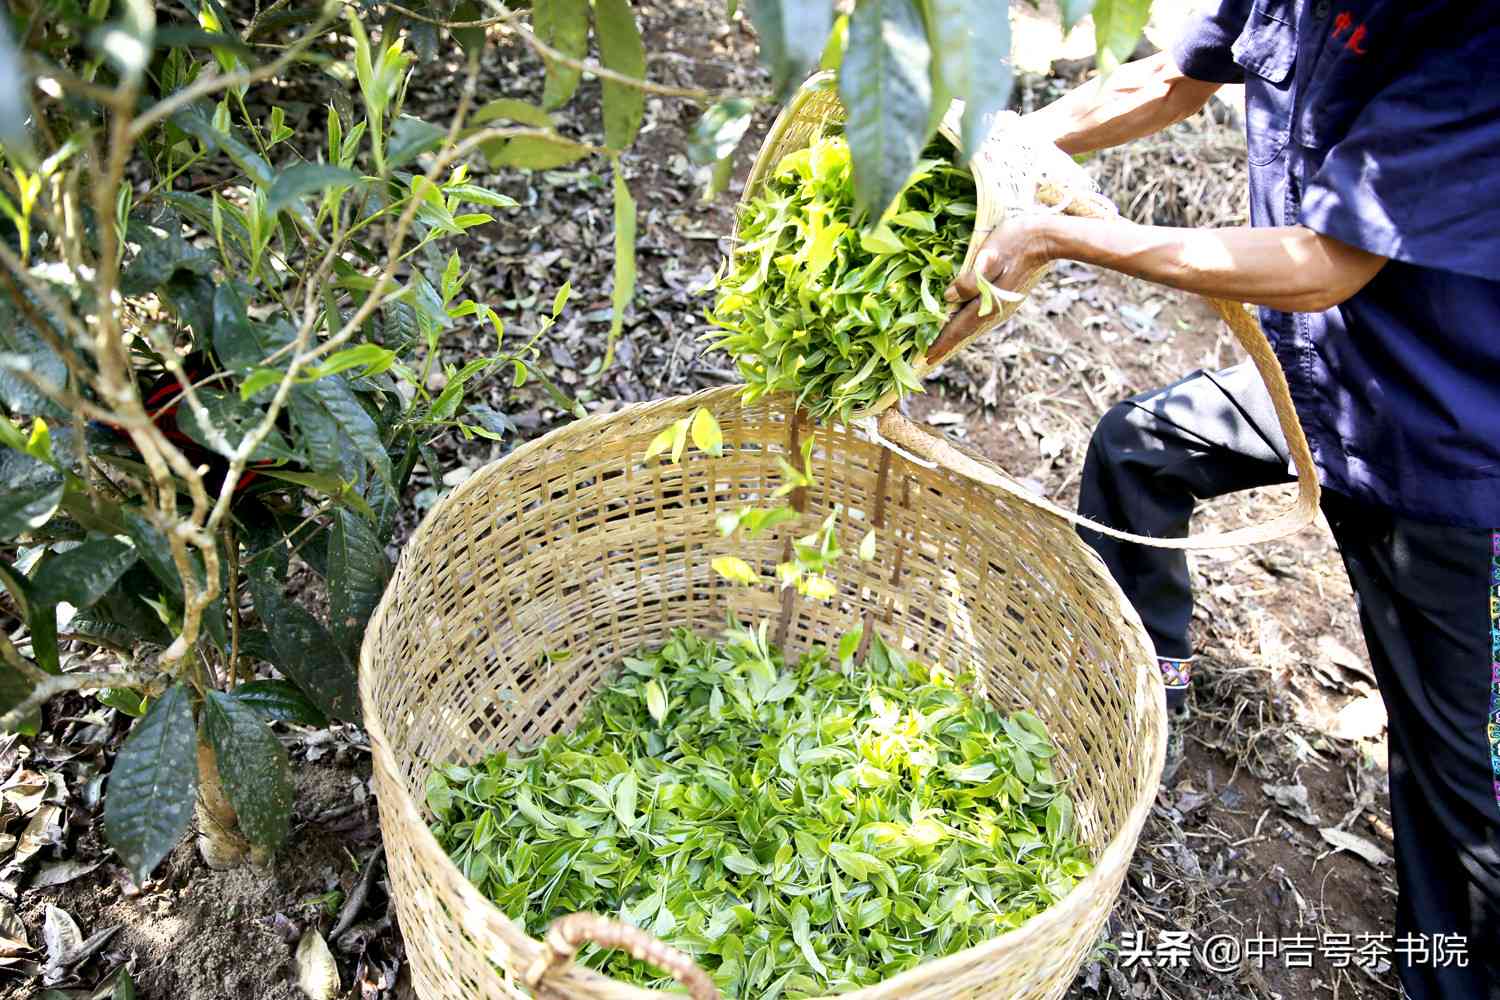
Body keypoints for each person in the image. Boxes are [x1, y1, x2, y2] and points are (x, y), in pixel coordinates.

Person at [937, 4, 1500, 998]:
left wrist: (1065, 235)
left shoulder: (1473, 37)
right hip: (1323, 379)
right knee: (1141, 452)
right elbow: (1173, 80)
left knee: (1454, 788)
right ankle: (1140, 696)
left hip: (1446, 436)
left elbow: (1323, 265)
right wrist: (998, 150)